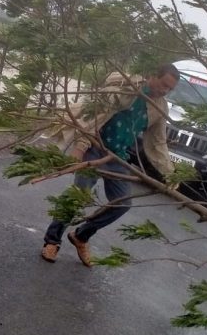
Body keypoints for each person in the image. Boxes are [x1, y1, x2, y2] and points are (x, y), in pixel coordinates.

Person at [40, 64, 180, 266]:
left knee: (122, 203)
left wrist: (170, 173)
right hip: (95, 146)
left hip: (118, 156)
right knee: (78, 196)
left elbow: (158, 142)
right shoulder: (127, 88)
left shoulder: (160, 107)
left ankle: (81, 236)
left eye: (170, 89)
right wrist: (80, 146)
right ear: (152, 75)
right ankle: (52, 241)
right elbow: (97, 115)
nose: (165, 91)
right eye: (164, 85)